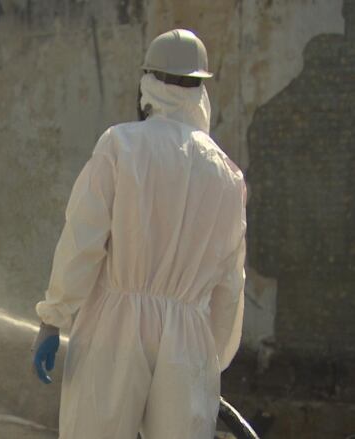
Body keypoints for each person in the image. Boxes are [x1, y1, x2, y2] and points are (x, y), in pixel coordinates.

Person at [31, 29, 247, 439]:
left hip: (114, 328)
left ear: (148, 81)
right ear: (200, 89)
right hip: (189, 339)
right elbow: (230, 282)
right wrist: (210, 358)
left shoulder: (120, 146)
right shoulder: (227, 174)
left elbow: (83, 240)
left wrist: (53, 317)